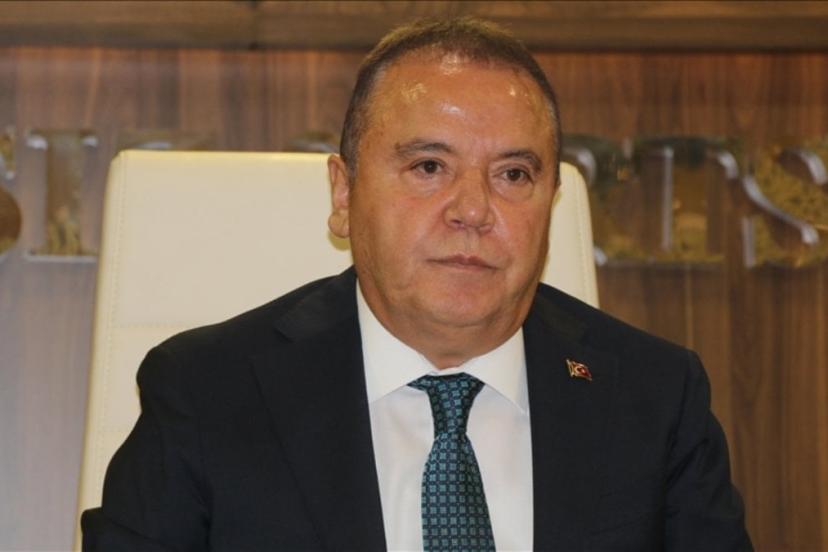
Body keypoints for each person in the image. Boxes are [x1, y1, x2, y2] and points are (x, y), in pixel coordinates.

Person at [82, 17, 752, 552]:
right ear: (344, 194)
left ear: (550, 200)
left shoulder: (655, 398)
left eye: (513, 174)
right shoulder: (208, 393)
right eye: (429, 166)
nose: (473, 210)